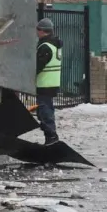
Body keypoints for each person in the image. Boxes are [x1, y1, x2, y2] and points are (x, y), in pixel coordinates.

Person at [36, 17, 63, 145]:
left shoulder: (45, 46)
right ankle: (50, 136)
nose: (36, 32)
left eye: (37, 30)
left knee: (45, 112)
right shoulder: (54, 44)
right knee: (45, 112)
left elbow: (37, 66)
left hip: (44, 84)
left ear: (42, 31)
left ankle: (51, 137)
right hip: (52, 83)